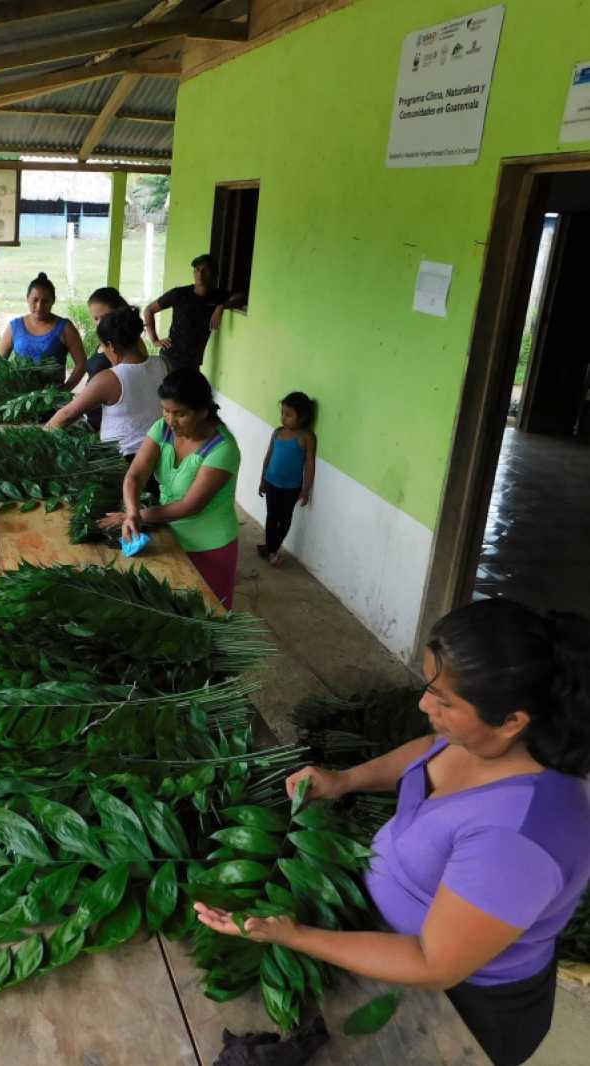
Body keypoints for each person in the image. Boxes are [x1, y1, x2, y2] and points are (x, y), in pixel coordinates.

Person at [195, 598, 590, 1066]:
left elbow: (434, 963)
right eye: (429, 687)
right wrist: (344, 781)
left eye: (443, 701)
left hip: (462, 1009)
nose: (423, 703)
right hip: (390, 943)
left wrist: (294, 936)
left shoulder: (520, 839)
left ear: (513, 721)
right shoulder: (483, 741)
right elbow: (428, 750)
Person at [100, 369, 241, 608]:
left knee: (208, 614)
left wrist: (138, 515)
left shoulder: (223, 450)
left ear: (203, 412)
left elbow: (189, 507)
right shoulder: (162, 429)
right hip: (170, 535)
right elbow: (135, 475)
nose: (171, 420)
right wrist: (133, 512)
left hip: (209, 545)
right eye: (166, 410)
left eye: (180, 414)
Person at [45, 305, 166, 459]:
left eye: (103, 346)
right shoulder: (162, 364)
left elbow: (67, 415)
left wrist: (37, 437)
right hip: (159, 453)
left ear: (112, 347)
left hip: (122, 459)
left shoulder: (109, 378)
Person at [143, 254, 243, 372]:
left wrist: (221, 306)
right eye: (197, 270)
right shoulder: (180, 294)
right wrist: (155, 340)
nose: (200, 274)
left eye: (205, 270)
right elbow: (149, 310)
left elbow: (241, 297)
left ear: (214, 274)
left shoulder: (217, 296)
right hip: (171, 358)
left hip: (193, 362)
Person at [257, 391, 317, 567]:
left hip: (291, 487)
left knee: (284, 519)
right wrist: (262, 479)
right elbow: (268, 457)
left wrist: (306, 489)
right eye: (283, 413)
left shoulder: (307, 437)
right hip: (272, 482)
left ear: (303, 416)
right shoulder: (277, 432)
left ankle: (271, 549)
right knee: (271, 516)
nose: (284, 418)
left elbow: (310, 465)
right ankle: (271, 549)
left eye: (289, 414)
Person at [0, 271, 87, 389]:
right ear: (27, 299)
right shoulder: (14, 327)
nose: (39, 306)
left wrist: (65, 390)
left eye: (45, 301)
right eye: (35, 300)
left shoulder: (65, 328)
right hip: (18, 401)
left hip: (53, 402)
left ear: (53, 301)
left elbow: (82, 364)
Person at [82, 286, 145, 431]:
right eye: (95, 318)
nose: (99, 323)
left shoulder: (131, 344)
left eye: (104, 317)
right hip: (94, 419)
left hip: (112, 424)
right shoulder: (105, 339)